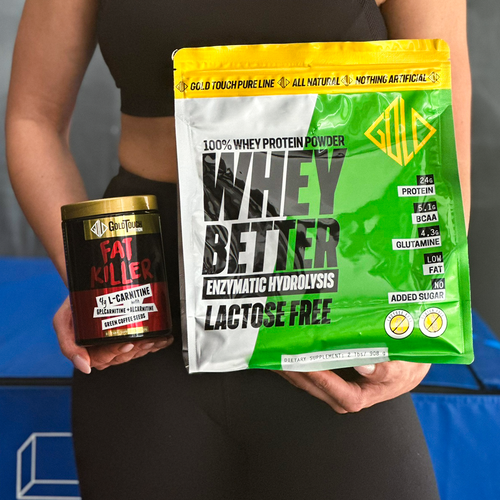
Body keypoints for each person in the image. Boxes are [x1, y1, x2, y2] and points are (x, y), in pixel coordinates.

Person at [6, 0, 470, 498]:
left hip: (339, 306)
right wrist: (91, 270)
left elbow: (443, 115)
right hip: (152, 315)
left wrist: (427, 302)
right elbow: (33, 118)